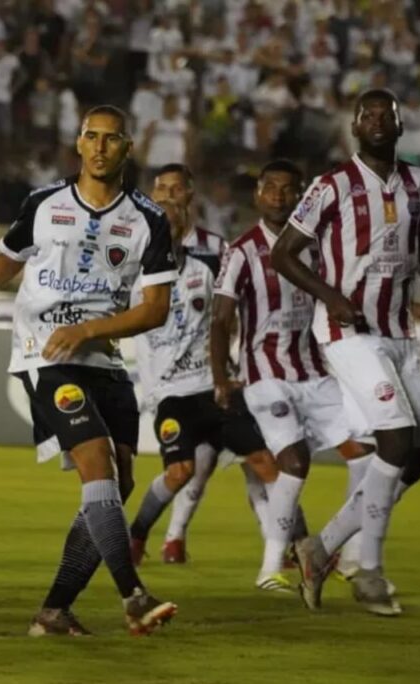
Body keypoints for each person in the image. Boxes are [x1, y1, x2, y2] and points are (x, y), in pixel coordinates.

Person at [0, 105, 177, 637]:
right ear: (79, 145)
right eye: (91, 137)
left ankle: (55, 610)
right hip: (46, 354)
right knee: (98, 466)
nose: (100, 147)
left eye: (111, 139)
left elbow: (155, 310)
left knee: (119, 482)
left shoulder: (149, 220)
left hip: (103, 358)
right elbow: (8, 257)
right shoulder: (43, 203)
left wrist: (89, 330)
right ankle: (133, 594)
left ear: (129, 148)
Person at [272, 89, 420, 616]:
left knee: (417, 461)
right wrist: (332, 297)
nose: (377, 122)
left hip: (399, 333)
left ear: (400, 124)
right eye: (367, 115)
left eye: (386, 114)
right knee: (395, 436)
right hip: (347, 332)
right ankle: (368, 569)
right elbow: (284, 254)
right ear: (355, 127)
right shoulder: (331, 186)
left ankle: (318, 550)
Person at [211, 159, 375, 592]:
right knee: (295, 461)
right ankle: (270, 568)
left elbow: (353, 295)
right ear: (258, 195)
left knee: (366, 454)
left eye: (289, 190)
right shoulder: (242, 250)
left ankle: (348, 555)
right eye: (271, 188)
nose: (280, 196)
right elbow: (220, 320)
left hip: (314, 372)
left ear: (303, 197)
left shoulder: (320, 247)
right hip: (264, 374)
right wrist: (220, 378)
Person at [128, 163, 283, 577]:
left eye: (174, 190)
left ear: (189, 196)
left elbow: (234, 310)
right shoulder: (133, 252)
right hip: (168, 385)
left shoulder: (214, 251)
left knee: (256, 460)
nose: (165, 197)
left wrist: (234, 360)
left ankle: (285, 544)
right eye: (159, 189)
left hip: (215, 378)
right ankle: (160, 534)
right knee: (190, 468)